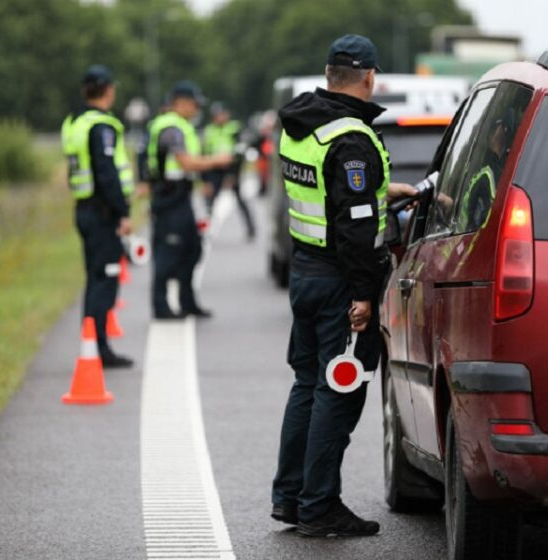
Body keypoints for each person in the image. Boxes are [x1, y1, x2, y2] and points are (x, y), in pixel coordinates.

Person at [270, 34, 417, 538]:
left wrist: (382, 190)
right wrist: (361, 295)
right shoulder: (352, 139)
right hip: (340, 283)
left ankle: (291, 499)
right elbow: (354, 225)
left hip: (306, 270)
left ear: (329, 73)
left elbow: (333, 198)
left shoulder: (302, 124)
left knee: (308, 384)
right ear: (370, 77)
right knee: (341, 386)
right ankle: (319, 507)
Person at [61, 64, 135, 368]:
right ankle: (99, 347)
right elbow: (106, 174)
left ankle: (93, 341)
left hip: (84, 208)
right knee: (105, 279)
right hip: (102, 212)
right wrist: (123, 212)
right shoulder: (101, 126)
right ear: (108, 89)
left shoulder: (75, 122)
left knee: (95, 277)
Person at [144, 81, 232, 320]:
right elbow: (186, 162)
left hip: (180, 195)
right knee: (168, 252)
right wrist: (216, 161)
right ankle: (161, 307)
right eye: (194, 104)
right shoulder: (171, 127)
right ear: (181, 103)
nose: (197, 109)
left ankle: (187, 302)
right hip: (168, 198)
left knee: (192, 248)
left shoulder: (181, 125)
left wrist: (201, 180)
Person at [202, 103, 256, 240]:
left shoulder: (234, 129)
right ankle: (206, 229)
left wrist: (233, 175)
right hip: (214, 169)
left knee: (240, 200)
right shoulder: (209, 131)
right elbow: (203, 155)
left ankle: (251, 229)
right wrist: (205, 180)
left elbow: (240, 153)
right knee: (209, 200)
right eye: (216, 115)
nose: (219, 118)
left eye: (221, 114)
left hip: (231, 169)